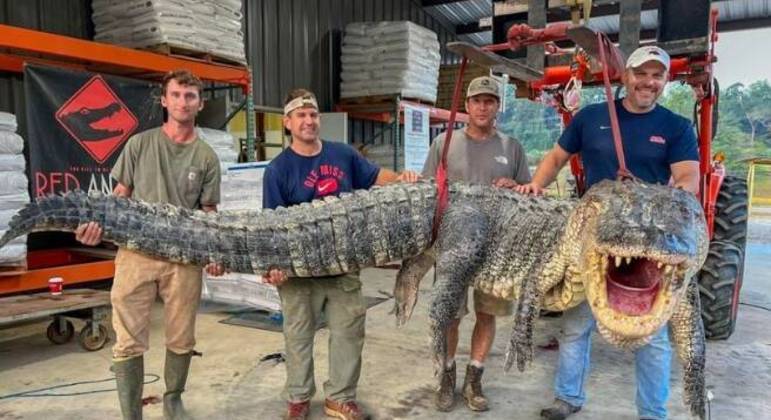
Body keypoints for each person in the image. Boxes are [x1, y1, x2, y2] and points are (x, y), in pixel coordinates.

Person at [515, 46, 700, 420]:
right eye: (641, 74)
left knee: (653, 338)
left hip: (648, 241)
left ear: (665, 81)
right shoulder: (591, 117)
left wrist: (676, 197)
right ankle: (568, 397)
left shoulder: (676, 127)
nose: (649, 82)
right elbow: (555, 159)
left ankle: (652, 412)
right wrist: (535, 184)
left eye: (657, 75)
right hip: (596, 237)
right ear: (624, 77)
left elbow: (688, 178)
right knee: (576, 323)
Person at [261, 88, 420, 420]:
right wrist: (273, 266)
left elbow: (376, 177)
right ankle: (298, 398)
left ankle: (340, 397)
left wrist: (403, 180)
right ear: (287, 122)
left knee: (349, 333)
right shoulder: (278, 170)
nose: (308, 120)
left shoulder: (342, 154)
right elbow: (271, 225)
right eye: (301, 115)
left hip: (343, 266)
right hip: (298, 274)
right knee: (298, 336)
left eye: (313, 114)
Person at [75, 69, 224, 420]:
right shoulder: (140, 144)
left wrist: (214, 254)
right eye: (176, 95)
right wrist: (98, 225)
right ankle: (132, 413)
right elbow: (119, 197)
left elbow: (209, 214)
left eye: (190, 96)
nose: (182, 102)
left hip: (183, 258)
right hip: (136, 254)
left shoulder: (206, 157)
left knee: (182, 336)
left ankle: (173, 398)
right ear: (164, 100)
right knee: (127, 337)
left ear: (200, 104)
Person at [422, 76, 532, 412]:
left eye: (489, 100)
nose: (483, 107)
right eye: (476, 101)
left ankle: (475, 379)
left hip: (496, 248)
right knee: (449, 316)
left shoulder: (511, 147)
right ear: (467, 106)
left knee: (488, 314)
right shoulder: (444, 143)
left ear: (497, 106)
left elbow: (527, 193)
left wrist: (514, 185)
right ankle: (446, 376)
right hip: (452, 245)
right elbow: (428, 192)